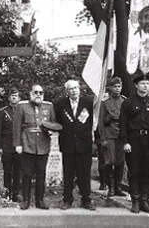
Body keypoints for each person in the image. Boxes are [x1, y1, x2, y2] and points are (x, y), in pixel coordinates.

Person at [13, 84, 61, 210]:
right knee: (27, 174)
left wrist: (51, 129)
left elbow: (54, 123)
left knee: (41, 174)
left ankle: (40, 200)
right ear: (30, 94)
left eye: (41, 92)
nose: (38, 94)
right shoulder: (22, 106)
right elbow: (16, 127)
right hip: (27, 144)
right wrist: (17, 144)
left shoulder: (49, 106)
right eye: (35, 92)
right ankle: (26, 200)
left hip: (43, 145)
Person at [120, 75, 149, 213]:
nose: (145, 86)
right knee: (134, 171)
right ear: (136, 85)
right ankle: (135, 201)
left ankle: (144, 200)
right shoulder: (128, 103)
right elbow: (123, 123)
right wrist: (125, 141)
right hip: (134, 140)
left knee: (147, 171)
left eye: (147, 83)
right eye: (142, 83)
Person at [53, 80, 95, 210]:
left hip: (84, 144)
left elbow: (94, 120)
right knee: (68, 174)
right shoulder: (60, 104)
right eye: (70, 89)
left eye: (76, 87)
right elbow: (58, 123)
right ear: (67, 91)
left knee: (84, 174)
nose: (74, 90)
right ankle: (67, 200)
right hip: (68, 145)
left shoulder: (89, 102)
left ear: (79, 89)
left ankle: (86, 200)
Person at [98, 77, 127, 197]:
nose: (117, 89)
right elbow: (100, 122)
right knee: (109, 162)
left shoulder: (125, 101)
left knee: (120, 162)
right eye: (115, 86)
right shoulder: (105, 102)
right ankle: (111, 188)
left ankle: (118, 187)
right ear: (110, 88)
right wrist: (103, 138)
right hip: (109, 135)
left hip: (121, 135)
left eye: (119, 86)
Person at [0, 88, 21, 201]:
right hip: (6, 146)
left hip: (19, 146)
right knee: (7, 171)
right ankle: (7, 193)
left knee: (18, 171)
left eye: (16, 95)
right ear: (9, 98)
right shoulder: (3, 111)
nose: (14, 97)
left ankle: (16, 194)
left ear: (19, 98)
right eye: (12, 95)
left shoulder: (22, 111)